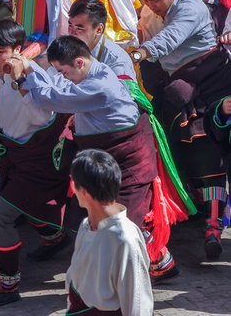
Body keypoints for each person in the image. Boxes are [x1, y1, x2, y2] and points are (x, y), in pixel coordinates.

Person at [12, 36, 181, 284]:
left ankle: (121, 284)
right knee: (103, 220)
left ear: (79, 61)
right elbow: (64, 90)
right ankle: (161, 263)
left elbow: (55, 97)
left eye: (63, 71)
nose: (62, 76)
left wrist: (22, 76)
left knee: (120, 226)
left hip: (128, 161)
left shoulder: (100, 85)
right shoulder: (92, 71)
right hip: (108, 162)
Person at [130, 0, 231, 260]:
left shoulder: (190, 8)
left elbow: (168, 39)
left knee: (210, 149)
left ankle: (214, 227)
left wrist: (137, 54)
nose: (151, 6)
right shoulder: (150, 7)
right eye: (146, 1)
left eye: (156, 0)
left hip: (213, 81)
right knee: (194, 150)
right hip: (180, 86)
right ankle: (196, 209)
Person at [0, 19, 73, 308]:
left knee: (2, 216)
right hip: (17, 158)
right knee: (26, 205)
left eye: (0, 50)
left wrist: (20, 82)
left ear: (17, 50)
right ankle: (54, 237)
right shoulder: (3, 74)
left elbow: (43, 116)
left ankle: (8, 283)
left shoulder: (34, 78)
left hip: (38, 164)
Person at [66, 149, 154, 316]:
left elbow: (138, 304)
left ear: (83, 191)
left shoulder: (125, 239)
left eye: (72, 183)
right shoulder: (86, 225)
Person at [67, 0, 137, 80]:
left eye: (79, 28)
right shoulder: (69, 50)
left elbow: (123, 92)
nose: (72, 33)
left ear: (99, 29)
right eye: (70, 26)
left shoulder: (117, 62)